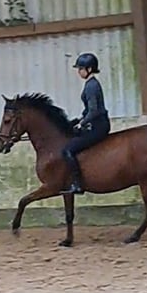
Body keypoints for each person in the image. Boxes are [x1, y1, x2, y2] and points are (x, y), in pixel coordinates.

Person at [61, 52, 111, 194]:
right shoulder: (91, 84)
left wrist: (82, 123)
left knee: (68, 150)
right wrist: (77, 120)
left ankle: (77, 183)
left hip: (98, 127)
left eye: (80, 69)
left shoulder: (91, 86)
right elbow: (88, 109)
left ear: (89, 69)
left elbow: (94, 111)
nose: (79, 72)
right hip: (96, 123)